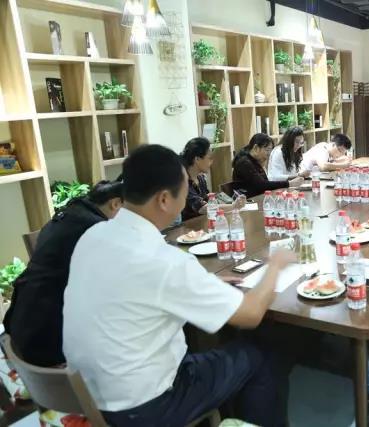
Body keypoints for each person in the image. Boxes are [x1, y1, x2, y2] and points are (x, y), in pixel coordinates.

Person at [63, 145, 296, 427]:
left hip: (87, 395)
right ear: (164, 199)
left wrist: (201, 284)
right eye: (185, 190)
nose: (186, 198)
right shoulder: (163, 260)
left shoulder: (93, 235)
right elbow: (251, 314)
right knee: (261, 353)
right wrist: (275, 266)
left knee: (212, 353)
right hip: (145, 407)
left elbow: (135, 291)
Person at [3, 180, 123, 367]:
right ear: (115, 203)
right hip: (49, 344)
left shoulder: (68, 215)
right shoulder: (96, 230)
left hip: (19, 327)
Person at [180, 137, 244, 221]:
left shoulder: (200, 178)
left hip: (203, 221)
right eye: (209, 158)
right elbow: (202, 208)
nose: (211, 162)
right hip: (188, 225)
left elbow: (207, 200)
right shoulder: (183, 181)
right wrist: (233, 206)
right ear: (197, 159)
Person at [232, 133, 304, 198]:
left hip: (259, 198)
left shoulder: (255, 160)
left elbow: (265, 182)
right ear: (256, 148)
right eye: (267, 150)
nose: (269, 154)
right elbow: (262, 185)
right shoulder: (244, 163)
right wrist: (289, 183)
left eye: (270, 150)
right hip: (250, 202)